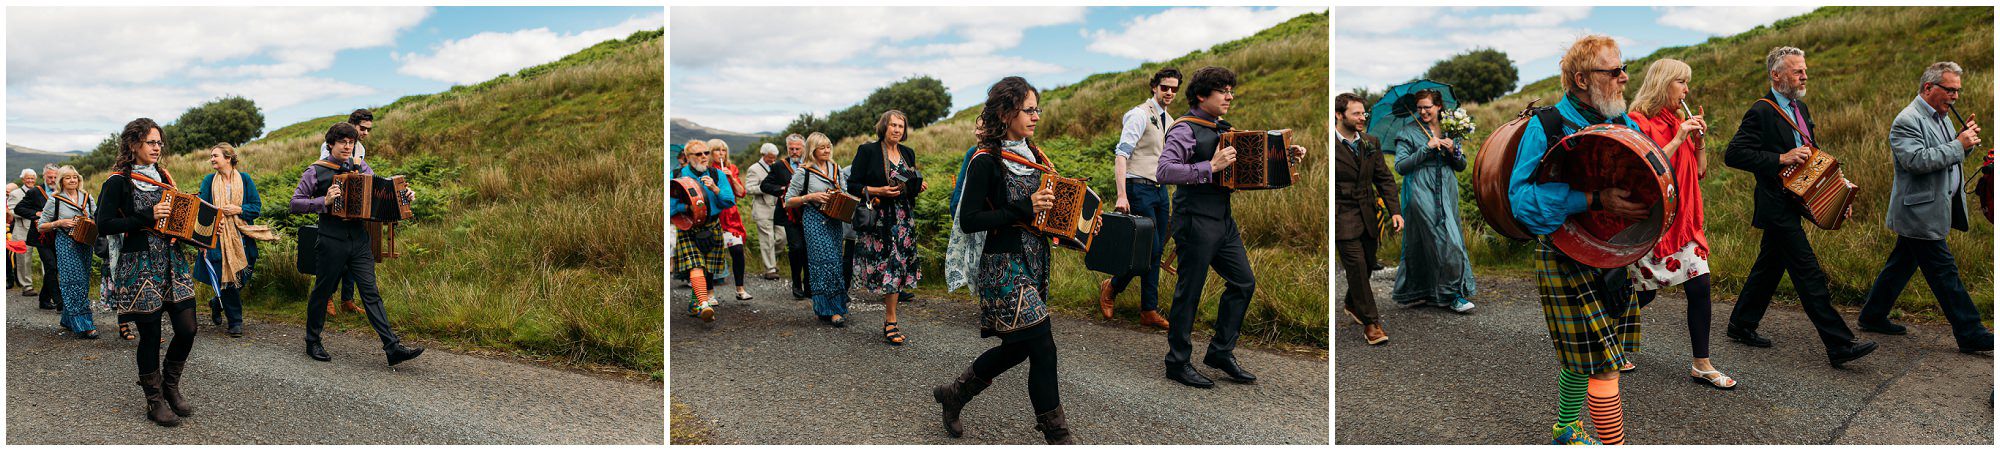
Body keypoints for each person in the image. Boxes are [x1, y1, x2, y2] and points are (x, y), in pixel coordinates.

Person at [1507, 35, 1648, 444]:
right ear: (1583, 79)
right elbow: (1522, 201)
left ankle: (1565, 430)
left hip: (1614, 254)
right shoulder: (1546, 126)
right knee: (1604, 363)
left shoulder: (1626, 124)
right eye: (1614, 70)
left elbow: (1651, 181)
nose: (1624, 78)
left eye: (1624, 68)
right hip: (1565, 254)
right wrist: (1593, 199)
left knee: (1583, 359)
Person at [935, 76, 1073, 444]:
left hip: (1035, 259)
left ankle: (955, 393)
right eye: (1029, 110)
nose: (1036, 116)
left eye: (1037, 109)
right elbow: (969, 220)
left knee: (1018, 347)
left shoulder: (1037, 157)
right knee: (1043, 346)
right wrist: (1023, 209)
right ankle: (1058, 435)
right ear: (1005, 112)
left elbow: (1043, 214)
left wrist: (1075, 225)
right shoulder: (985, 160)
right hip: (1003, 264)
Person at [1721, 46, 1878, 367]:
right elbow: (1734, 154)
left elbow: (1814, 155)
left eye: (1804, 70)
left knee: (1769, 267)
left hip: (1797, 201)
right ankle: (1839, 344)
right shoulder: (1761, 111)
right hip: (1775, 203)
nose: (1804, 75)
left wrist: (1839, 195)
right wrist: (1780, 158)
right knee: (1808, 272)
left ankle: (1741, 324)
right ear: (1776, 75)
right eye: (1797, 71)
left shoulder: (1800, 108)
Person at [1155, 66, 1307, 388]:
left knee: (1243, 283)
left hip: (1223, 219)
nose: (1230, 96)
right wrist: (1209, 166)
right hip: (1194, 218)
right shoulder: (1185, 129)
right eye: (1223, 90)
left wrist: (1284, 156)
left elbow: (1251, 165)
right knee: (1189, 292)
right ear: (1201, 95)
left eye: (1231, 90)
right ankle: (1177, 362)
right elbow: (1165, 171)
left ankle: (1220, 352)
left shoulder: (1224, 128)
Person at [1857, 61, 1994, 353]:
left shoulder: (1941, 116)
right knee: (1945, 273)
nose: (1955, 96)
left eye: (1957, 90)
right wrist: (1958, 144)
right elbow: (1917, 161)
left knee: (1901, 264)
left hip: (1930, 209)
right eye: (1950, 90)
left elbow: (1944, 157)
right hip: (1919, 212)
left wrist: (1965, 144)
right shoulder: (1907, 120)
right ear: (1929, 87)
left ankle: (1872, 315)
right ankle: (1971, 333)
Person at [1625, 58, 1734, 388]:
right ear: (1663, 84)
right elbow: (1646, 168)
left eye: (1688, 83)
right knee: (1643, 295)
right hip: (1654, 222)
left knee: (1700, 286)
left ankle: (1702, 363)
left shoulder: (1677, 119)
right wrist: (1676, 139)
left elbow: (1699, 170)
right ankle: (1610, 342)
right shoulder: (1636, 120)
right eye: (1681, 82)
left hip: (1684, 219)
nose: (1687, 90)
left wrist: (1698, 142)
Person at [290, 122, 425, 366]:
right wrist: (324, 201)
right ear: (331, 144)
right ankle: (312, 341)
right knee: (322, 292)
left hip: (360, 241)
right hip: (331, 241)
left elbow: (381, 190)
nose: (348, 146)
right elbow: (296, 203)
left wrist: (404, 196)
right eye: (343, 142)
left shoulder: (361, 167)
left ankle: (392, 348)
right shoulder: (316, 170)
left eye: (351, 143)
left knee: (370, 292)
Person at [94, 118, 200, 426]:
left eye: (159, 142)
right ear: (132, 145)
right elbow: (104, 225)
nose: (157, 148)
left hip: (172, 261)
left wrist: (196, 232)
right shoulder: (117, 181)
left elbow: (175, 218)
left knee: (187, 328)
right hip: (139, 266)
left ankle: (170, 385)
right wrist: (146, 216)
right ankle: (154, 401)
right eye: (151, 142)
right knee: (151, 335)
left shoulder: (164, 176)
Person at [1097, 68, 1180, 330]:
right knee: (1148, 249)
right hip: (1138, 188)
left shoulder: (1170, 119)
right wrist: (1122, 194)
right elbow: (1122, 154)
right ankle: (1112, 285)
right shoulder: (1138, 115)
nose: (1169, 92)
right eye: (1165, 87)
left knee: (1156, 250)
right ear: (1154, 87)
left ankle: (1148, 310)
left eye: (1174, 89)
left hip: (1159, 190)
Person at [1390, 89, 1476, 313]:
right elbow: (1400, 166)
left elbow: (1461, 165)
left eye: (1427, 107)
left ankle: (1427, 291)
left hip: (1447, 188)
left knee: (1437, 239)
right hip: (1421, 188)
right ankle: (1453, 295)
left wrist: (1453, 151)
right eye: (1419, 108)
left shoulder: (1451, 128)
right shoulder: (1407, 132)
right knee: (1446, 241)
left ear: (1438, 106)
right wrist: (1424, 149)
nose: (1423, 111)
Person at [847, 109, 926, 346]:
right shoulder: (868, 150)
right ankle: (889, 319)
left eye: (900, 126)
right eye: (892, 125)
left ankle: (890, 320)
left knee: (897, 264)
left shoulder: (907, 153)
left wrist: (916, 186)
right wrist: (879, 190)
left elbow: (908, 183)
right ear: (884, 127)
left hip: (902, 219)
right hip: (879, 219)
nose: (896, 130)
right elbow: (852, 185)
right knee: (885, 265)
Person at [1334, 92, 1400, 345]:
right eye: (1357, 113)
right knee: (1357, 267)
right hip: (1342, 216)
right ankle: (1372, 323)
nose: (1363, 118)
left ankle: (1352, 302)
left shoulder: (1371, 142)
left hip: (1369, 214)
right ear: (1339, 115)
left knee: (1369, 263)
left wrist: (1395, 211)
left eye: (1364, 113)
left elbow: (1383, 178)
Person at [195, 143, 266, 337]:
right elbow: (203, 210)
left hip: (242, 235)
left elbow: (256, 206)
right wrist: (203, 241)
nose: (211, 159)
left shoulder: (244, 179)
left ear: (228, 158)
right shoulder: (209, 181)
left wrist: (239, 209)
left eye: (215, 156)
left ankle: (216, 302)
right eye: (211, 156)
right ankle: (235, 322)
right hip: (218, 236)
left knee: (243, 273)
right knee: (226, 278)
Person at [785, 132, 851, 327]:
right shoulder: (803, 172)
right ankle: (830, 310)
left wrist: (842, 196)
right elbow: (789, 201)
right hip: (814, 220)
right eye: (822, 147)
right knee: (823, 262)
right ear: (812, 150)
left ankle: (833, 306)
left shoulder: (836, 168)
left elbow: (845, 191)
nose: (827, 150)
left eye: (828, 146)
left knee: (836, 261)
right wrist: (810, 197)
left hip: (834, 219)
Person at [672, 140, 736, 321]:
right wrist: (686, 208)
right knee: (695, 265)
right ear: (687, 157)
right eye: (698, 154)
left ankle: (695, 304)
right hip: (688, 227)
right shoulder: (676, 176)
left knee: (707, 269)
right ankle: (704, 304)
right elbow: (668, 207)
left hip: (712, 225)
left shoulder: (716, 175)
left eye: (706, 153)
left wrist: (715, 189)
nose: (704, 157)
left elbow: (729, 201)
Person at [318, 109, 373, 317]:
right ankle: (327, 298)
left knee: (353, 261)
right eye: (362, 129)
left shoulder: (361, 149)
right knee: (336, 261)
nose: (365, 133)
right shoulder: (332, 145)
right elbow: (329, 171)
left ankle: (347, 300)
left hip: (355, 208)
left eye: (368, 130)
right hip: (335, 204)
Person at [36, 166, 97, 338]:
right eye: (68, 177)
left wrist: (90, 222)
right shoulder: (54, 200)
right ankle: (84, 325)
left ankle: (68, 320)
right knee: (72, 282)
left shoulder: (87, 197)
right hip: (66, 244)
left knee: (83, 282)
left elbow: (96, 216)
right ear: (61, 180)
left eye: (75, 177)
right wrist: (60, 222)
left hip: (85, 243)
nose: (72, 180)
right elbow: (41, 226)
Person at [761, 134, 810, 298]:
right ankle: (796, 283)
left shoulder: (811, 163)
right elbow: (765, 185)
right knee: (796, 247)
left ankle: (809, 285)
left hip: (810, 212)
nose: (794, 152)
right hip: (790, 214)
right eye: (791, 149)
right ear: (787, 148)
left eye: (797, 148)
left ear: (803, 148)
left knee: (809, 249)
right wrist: (782, 189)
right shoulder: (779, 166)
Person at [706, 139, 755, 302]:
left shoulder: (732, 169)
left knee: (737, 251)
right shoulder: (707, 171)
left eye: (724, 150)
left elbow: (742, 193)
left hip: (731, 217)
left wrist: (731, 178)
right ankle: (710, 293)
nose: (721, 153)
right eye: (717, 150)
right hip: (715, 215)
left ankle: (740, 289)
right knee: (711, 253)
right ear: (710, 153)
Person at [743, 142, 785, 280]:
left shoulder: (777, 167)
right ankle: (770, 269)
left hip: (778, 208)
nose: (772, 160)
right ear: (763, 155)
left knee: (782, 237)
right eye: (770, 157)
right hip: (762, 209)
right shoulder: (754, 169)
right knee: (767, 240)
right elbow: (749, 188)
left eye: (774, 157)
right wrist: (766, 187)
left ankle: (771, 260)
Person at [35, 163, 64, 310]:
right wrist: (36, 214)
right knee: (51, 267)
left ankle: (44, 299)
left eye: (55, 177)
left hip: (57, 236)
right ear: (44, 176)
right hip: (40, 237)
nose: (52, 179)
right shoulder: (36, 191)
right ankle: (59, 301)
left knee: (54, 268)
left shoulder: (62, 192)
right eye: (49, 177)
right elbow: (21, 208)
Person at [12, 169, 44, 298]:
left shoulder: (39, 192)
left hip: (40, 229)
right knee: (24, 260)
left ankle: (48, 285)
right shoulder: (15, 193)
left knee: (46, 258)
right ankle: (27, 286)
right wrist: (32, 213)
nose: (30, 180)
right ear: (22, 180)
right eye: (27, 178)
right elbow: (13, 211)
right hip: (22, 230)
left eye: (32, 178)